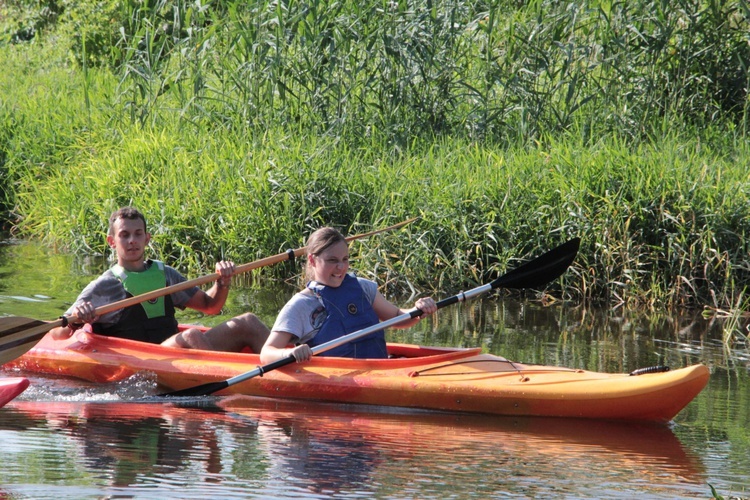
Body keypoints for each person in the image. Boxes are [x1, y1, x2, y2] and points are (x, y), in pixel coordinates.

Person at [50, 207, 269, 353]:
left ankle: (291, 365)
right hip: (141, 357)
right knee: (192, 335)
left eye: (138, 234)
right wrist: (78, 319)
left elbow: (211, 306)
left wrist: (223, 281)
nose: (132, 241)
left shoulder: (165, 274)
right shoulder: (104, 286)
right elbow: (57, 333)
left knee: (248, 321)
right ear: (112, 241)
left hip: (173, 349)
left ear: (147, 238)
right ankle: (227, 383)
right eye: (124, 235)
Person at [260, 226, 437, 364]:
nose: (341, 267)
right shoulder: (300, 305)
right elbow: (267, 353)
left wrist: (418, 310)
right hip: (336, 376)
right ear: (312, 260)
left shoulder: (363, 288)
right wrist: (289, 352)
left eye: (345, 259)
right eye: (332, 260)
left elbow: (399, 318)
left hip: (379, 368)